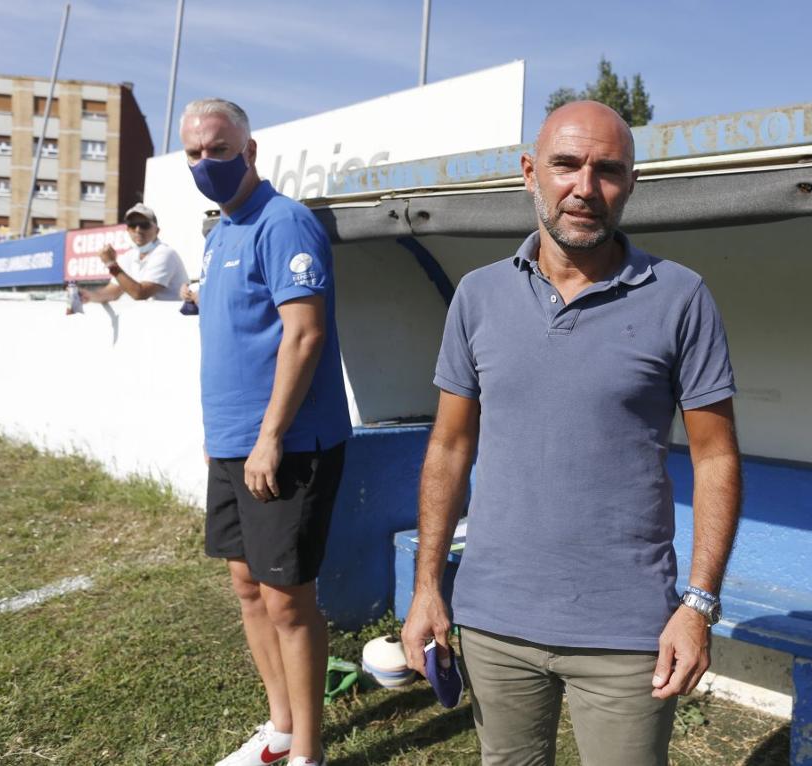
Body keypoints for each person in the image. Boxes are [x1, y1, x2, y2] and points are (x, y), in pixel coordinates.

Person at [400, 101, 743, 765]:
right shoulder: (477, 295)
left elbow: (716, 458)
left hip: (626, 631)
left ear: (631, 183)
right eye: (566, 165)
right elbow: (448, 447)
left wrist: (698, 605)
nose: (585, 188)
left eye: (607, 170)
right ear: (530, 172)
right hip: (494, 621)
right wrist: (426, 589)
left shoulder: (681, 297)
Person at [181, 98, 351, 766]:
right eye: (195, 152)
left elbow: (304, 335)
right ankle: (280, 729)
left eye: (218, 150)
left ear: (250, 152)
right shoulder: (219, 231)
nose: (205, 163)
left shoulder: (283, 223)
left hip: (284, 448)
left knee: (287, 600)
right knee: (248, 588)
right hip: (232, 446)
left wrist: (269, 436)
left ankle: (307, 753)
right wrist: (220, 436)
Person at [79, 203, 189, 303]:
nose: (138, 230)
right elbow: (112, 292)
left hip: (172, 322)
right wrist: (87, 296)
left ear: (157, 230)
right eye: (132, 224)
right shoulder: (129, 256)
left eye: (144, 225)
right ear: (127, 229)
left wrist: (111, 264)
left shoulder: (165, 253)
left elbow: (140, 293)